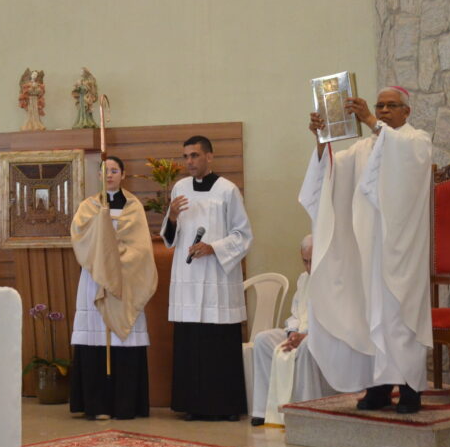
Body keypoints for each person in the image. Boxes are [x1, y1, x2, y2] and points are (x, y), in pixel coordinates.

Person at [299, 86, 432, 414]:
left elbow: (403, 160)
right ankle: (379, 387)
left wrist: (370, 120)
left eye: (391, 106)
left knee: (398, 314)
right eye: (379, 106)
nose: (384, 111)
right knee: (367, 312)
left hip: (400, 250)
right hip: (365, 247)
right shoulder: (363, 148)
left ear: (406, 112)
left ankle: (411, 388)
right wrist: (322, 138)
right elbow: (330, 173)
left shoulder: (416, 142)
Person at [163, 135, 253, 421]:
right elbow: (169, 236)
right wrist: (173, 217)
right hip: (189, 275)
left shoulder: (227, 190)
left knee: (218, 342)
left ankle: (225, 406)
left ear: (209, 157)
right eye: (186, 156)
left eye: (195, 155)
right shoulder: (179, 188)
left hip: (217, 276)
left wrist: (213, 247)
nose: (190, 161)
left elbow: (243, 234)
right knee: (192, 342)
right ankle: (193, 404)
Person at [69, 156, 158, 420]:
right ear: (98, 175)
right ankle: (97, 405)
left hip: (126, 279)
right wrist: (102, 230)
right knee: (96, 338)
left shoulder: (134, 207)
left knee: (124, 338)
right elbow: (80, 238)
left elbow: (141, 246)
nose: (109, 175)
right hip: (96, 277)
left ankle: (125, 405)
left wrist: (118, 258)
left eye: (114, 170)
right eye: (105, 171)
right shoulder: (89, 206)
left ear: (123, 174)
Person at [250, 235, 335, 426]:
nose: (308, 267)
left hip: (322, 338)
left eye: (312, 261)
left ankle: (307, 411)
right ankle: (263, 411)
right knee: (262, 340)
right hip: (300, 333)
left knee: (306, 346)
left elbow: (335, 321)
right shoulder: (303, 279)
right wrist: (291, 333)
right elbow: (296, 313)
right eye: (305, 261)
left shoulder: (334, 279)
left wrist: (305, 336)